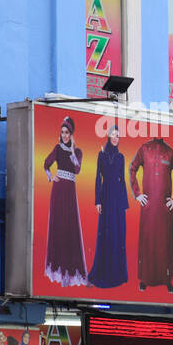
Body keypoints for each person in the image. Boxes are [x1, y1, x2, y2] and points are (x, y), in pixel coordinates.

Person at [129, 138, 173, 292]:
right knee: (147, 241)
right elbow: (132, 168)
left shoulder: (169, 152)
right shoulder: (144, 149)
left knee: (164, 243)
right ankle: (144, 280)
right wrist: (137, 193)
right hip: (148, 207)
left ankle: (167, 279)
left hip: (164, 209)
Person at [43, 117, 90, 287]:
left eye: (67, 133)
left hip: (70, 192)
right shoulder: (56, 148)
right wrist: (51, 176)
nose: (64, 135)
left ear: (71, 134)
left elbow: (77, 170)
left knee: (70, 227)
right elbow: (46, 164)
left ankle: (70, 273)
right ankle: (59, 270)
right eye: (62, 132)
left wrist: (71, 151)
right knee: (59, 226)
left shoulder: (78, 152)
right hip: (58, 190)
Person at [87, 126, 130, 288]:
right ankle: (102, 273)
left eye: (118, 136)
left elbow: (123, 179)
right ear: (108, 136)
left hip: (117, 200)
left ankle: (117, 274)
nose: (115, 137)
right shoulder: (102, 155)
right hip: (105, 197)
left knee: (117, 234)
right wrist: (97, 200)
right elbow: (98, 177)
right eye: (113, 134)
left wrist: (124, 204)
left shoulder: (121, 157)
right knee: (105, 233)